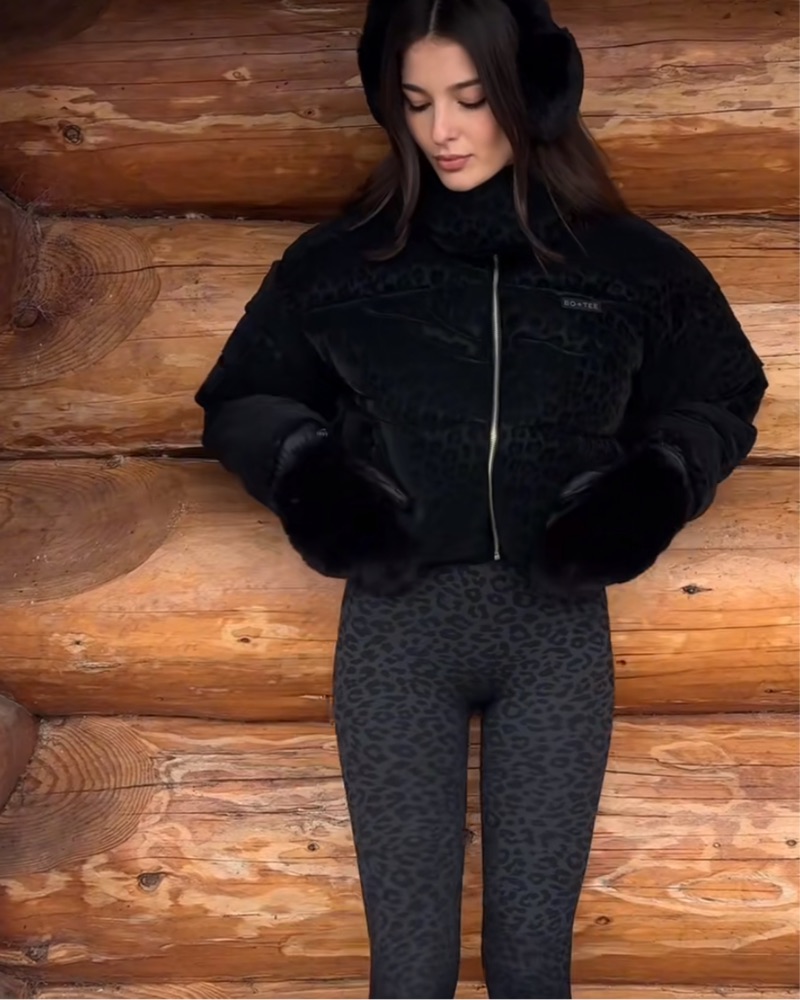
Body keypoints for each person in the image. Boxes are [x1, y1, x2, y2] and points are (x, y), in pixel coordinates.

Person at [194, 0, 768, 996]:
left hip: (552, 636)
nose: (442, 132)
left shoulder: (628, 266)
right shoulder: (341, 266)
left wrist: (651, 488)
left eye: (469, 98)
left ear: (529, 94)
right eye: (416, 103)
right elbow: (243, 397)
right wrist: (315, 479)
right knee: (410, 971)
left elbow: (721, 393)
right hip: (397, 635)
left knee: (531, 967)